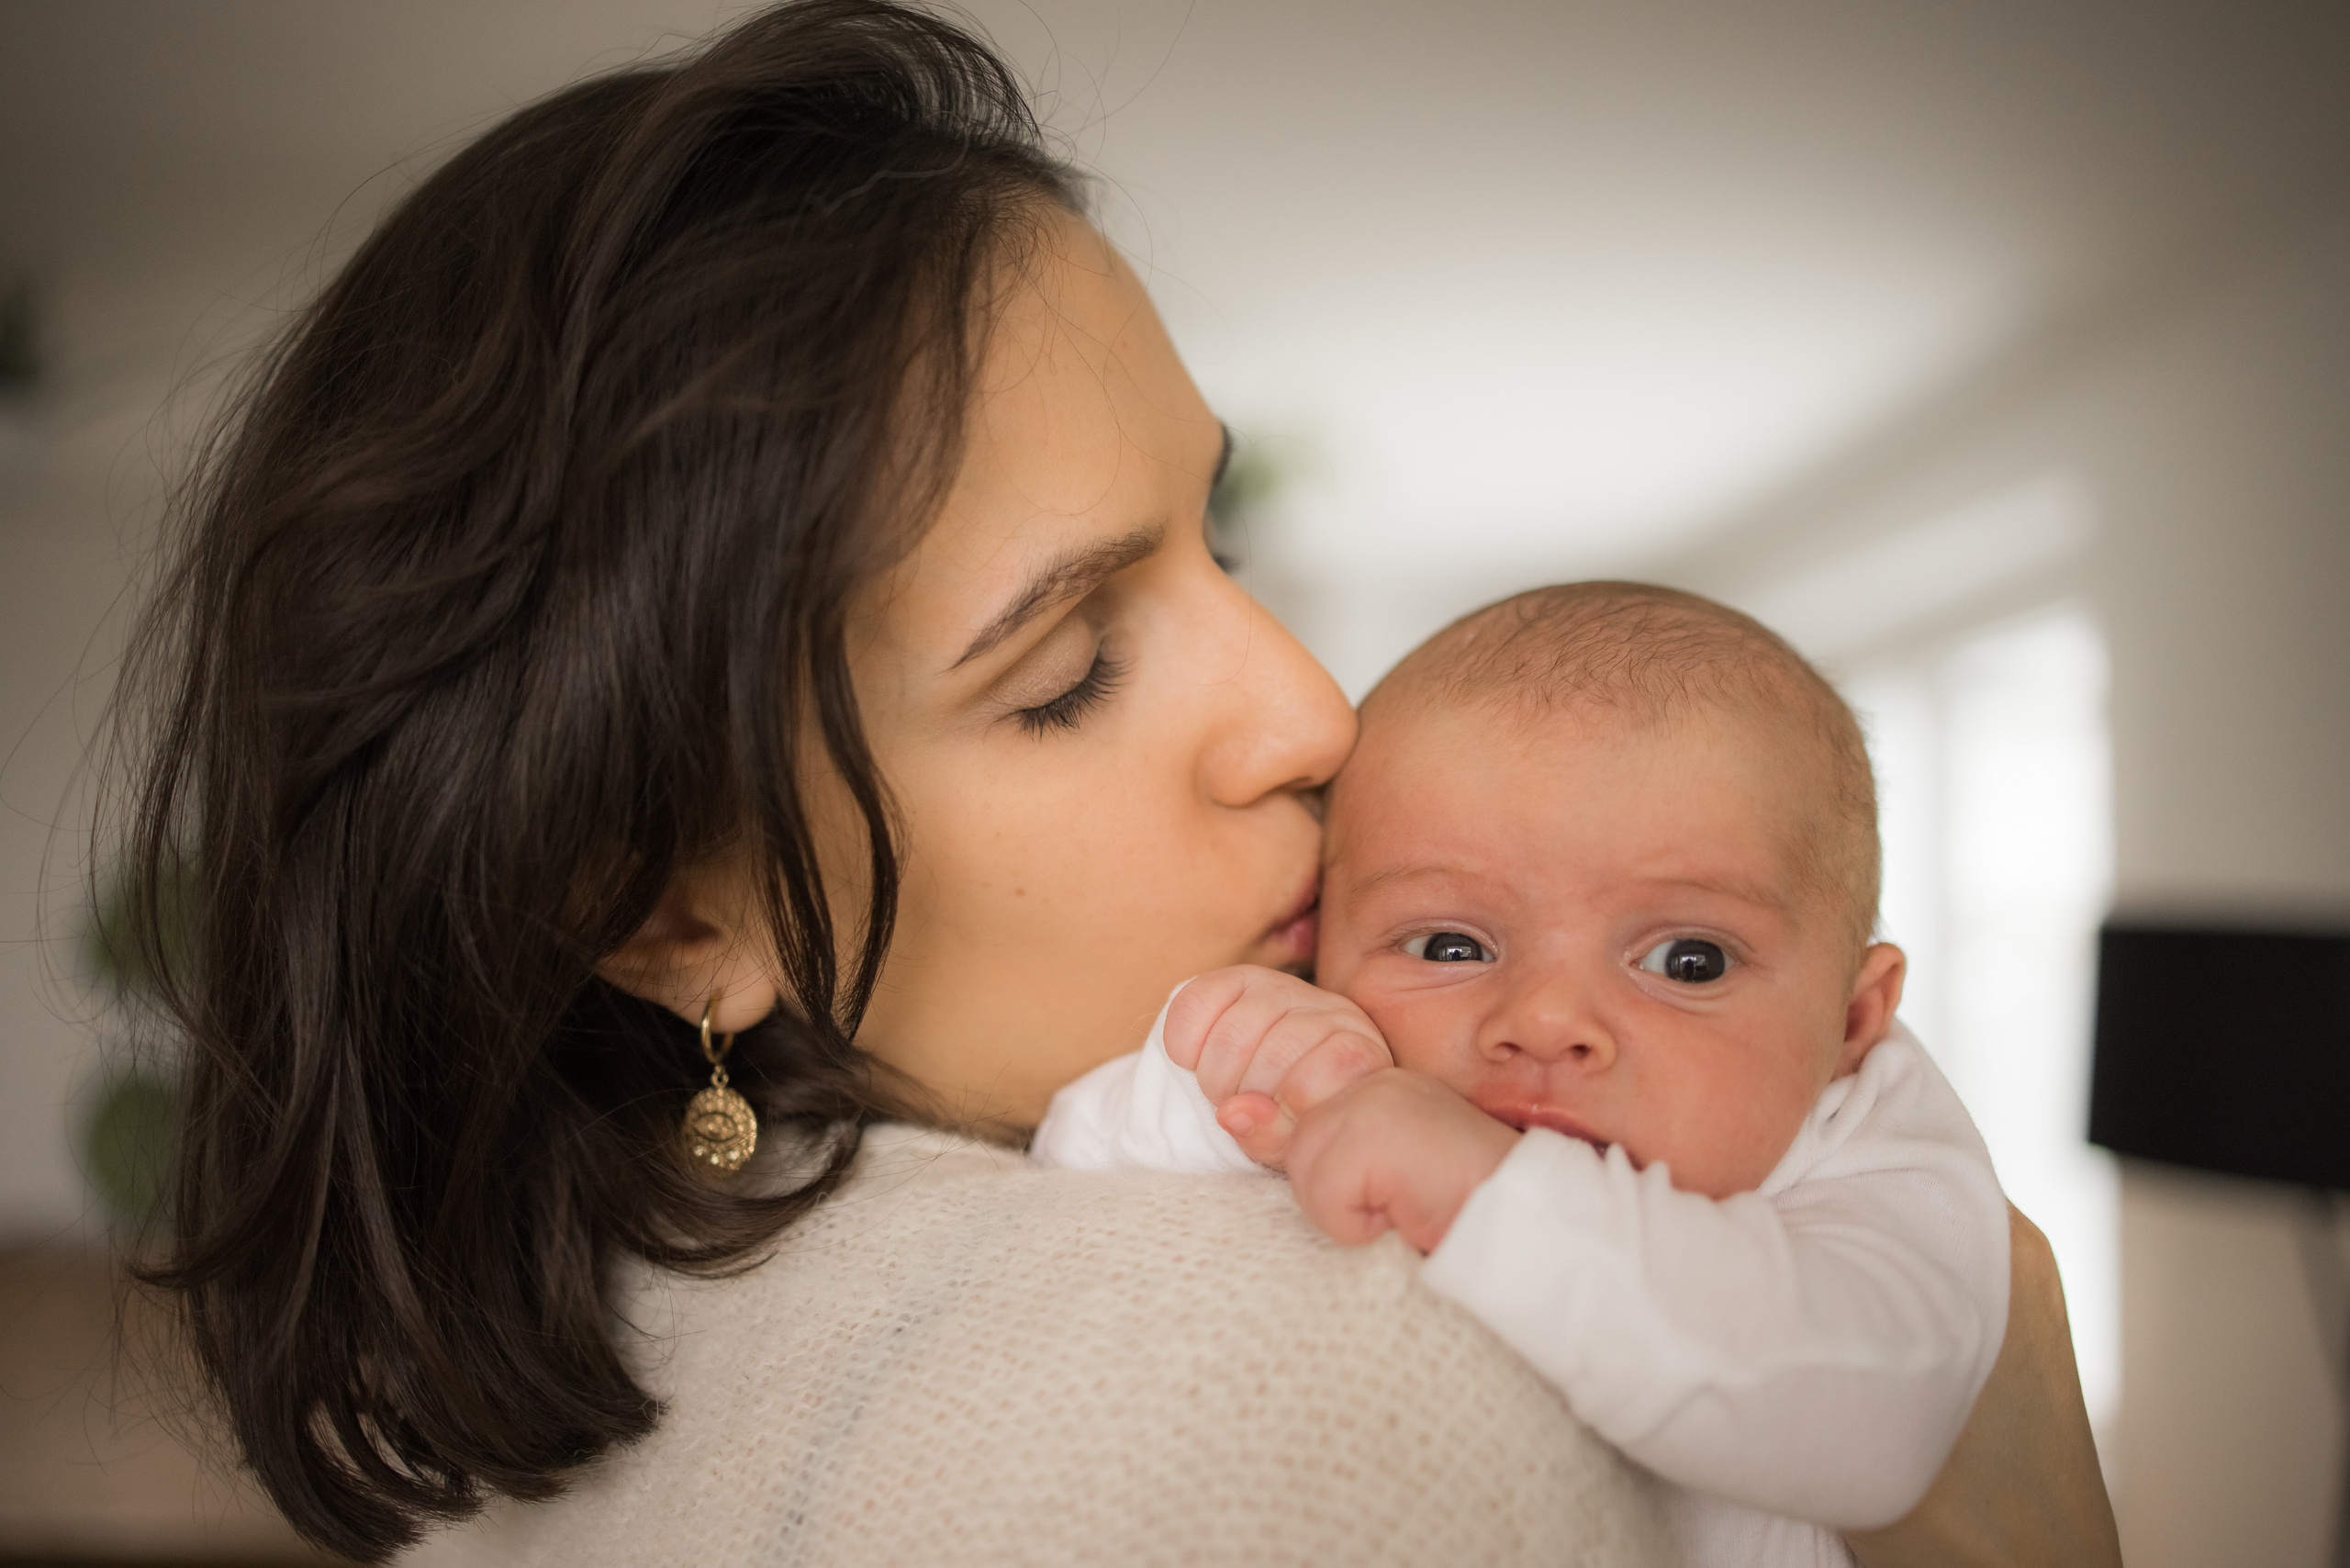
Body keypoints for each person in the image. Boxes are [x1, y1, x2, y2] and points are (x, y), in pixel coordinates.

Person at [110, 3, 2121, 1564]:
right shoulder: (1344, 1364)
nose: (1312, 716)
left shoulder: (593, 1341)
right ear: (667, 912)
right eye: (1066, 670)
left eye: (1216, 541)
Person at [1032, 582, 2014, 1567]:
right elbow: (1075, 1159)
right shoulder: (1347, 1056)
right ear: (1319, 945)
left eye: (1688, 961)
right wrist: (1237, 1080)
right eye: (1450, 944)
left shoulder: (1870, 1132)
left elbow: (1876, 1426)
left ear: (1852, 1021)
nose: (1543, 1021)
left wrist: (1488, 1195)